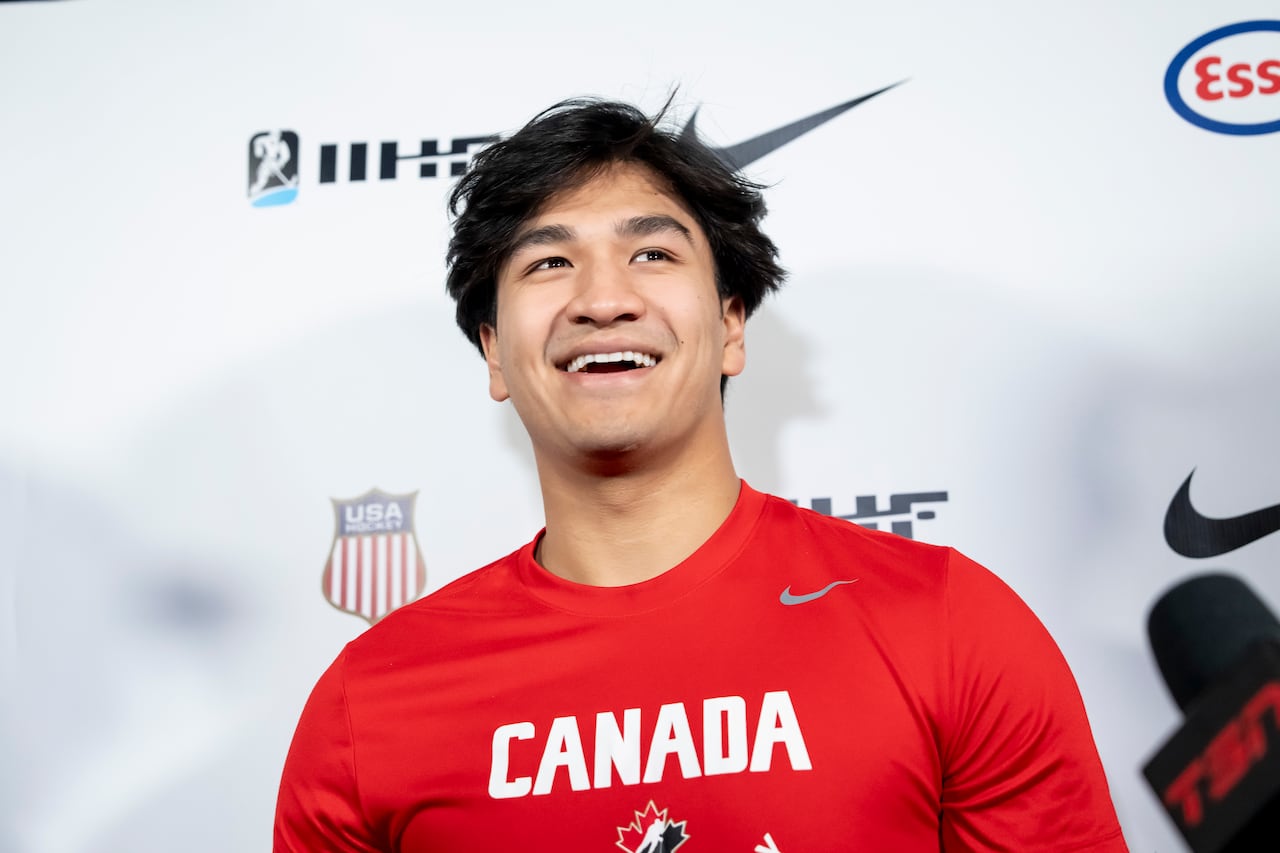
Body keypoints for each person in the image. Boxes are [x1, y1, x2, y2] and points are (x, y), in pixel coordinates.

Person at [274, 98, 1127, 852]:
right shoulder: (369, 707)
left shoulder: (946, 625)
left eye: (651, 254)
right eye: (548, 262)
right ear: (495, 350)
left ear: (731, 325)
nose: (602, 299)